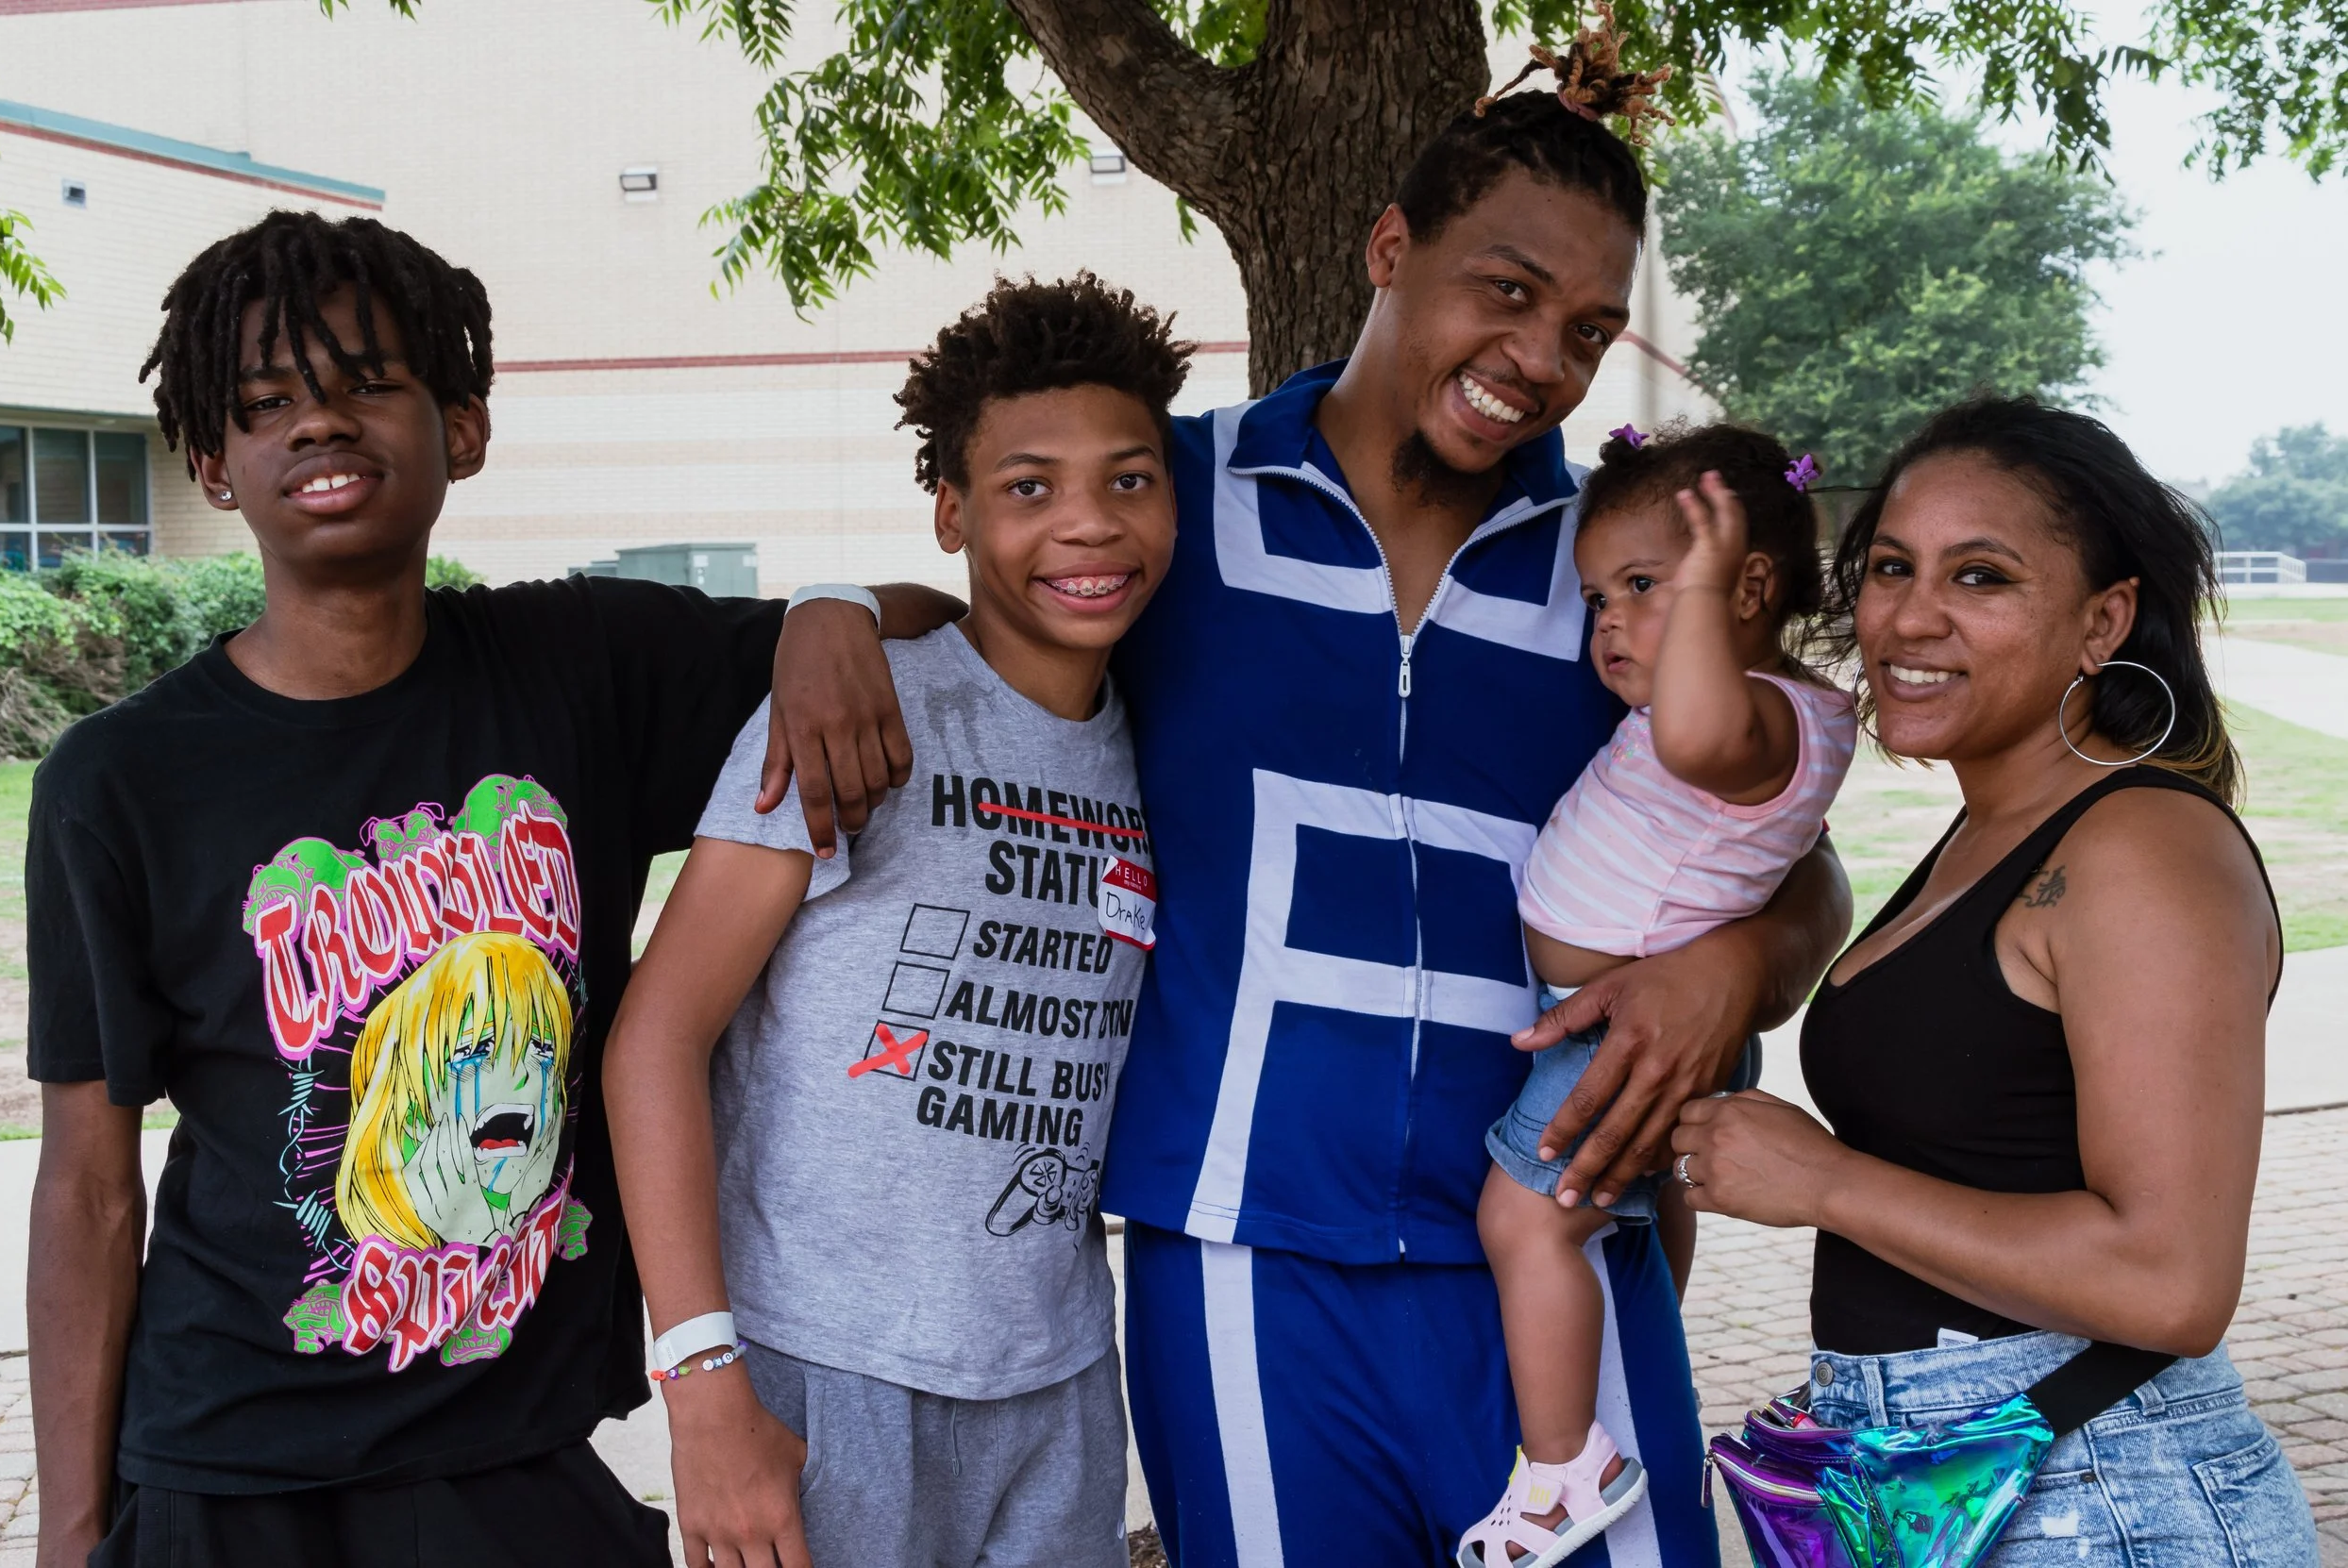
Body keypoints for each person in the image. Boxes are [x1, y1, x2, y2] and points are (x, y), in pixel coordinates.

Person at [766, 22, 1853, 1566]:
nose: (1544, 354)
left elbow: (1794, 844)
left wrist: (1741, 963)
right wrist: (835, 606)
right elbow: (1003, 602)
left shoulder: (1617, 576)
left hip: (1549, 1240)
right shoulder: (1177, 498)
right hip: (1243, 1257)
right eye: (1509, 290)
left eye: (1591, 328)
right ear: (1389, 246)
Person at [24, 210, 949, 1568]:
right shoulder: (120, 780)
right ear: (214, 463)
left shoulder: (586, 666)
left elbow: (931, 618)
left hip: (516, 1452)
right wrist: (69, 1529)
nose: (319, 425)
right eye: (269, 402)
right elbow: (90, 1190)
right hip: (228, 1458)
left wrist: (830, 611)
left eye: (365, 384)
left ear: (462, 426)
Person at [1669, 398, 2321, 1566]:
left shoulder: (2138, 852)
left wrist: (1821, 1179)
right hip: (1953, 1482)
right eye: (1887, 567)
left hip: (2100, 1496)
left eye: (1982, 577)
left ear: (2102, 620)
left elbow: (2170, 1280)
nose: (1910, 616)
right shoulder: (1994, 828)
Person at [601, 274, 1185, 1568]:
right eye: (1030, 486)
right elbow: (656, 1037)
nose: (1088, 524)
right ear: (951, 511)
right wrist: (703, 1383)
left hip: (1058, 1371)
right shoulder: (860, 716)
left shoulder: (1167, 740)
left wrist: (841, 597)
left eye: (1129, 480)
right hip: (825, 1369)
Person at [1463, 425, 1855, 1568]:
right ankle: (1640, 1329)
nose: (1612, 625)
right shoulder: (1763, 710)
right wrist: (1680, 594)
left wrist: (1694, 597)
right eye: (1596, 599)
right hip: (1651, 1029)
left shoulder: (1750, 720)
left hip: (1618, 1040)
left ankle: (1559, 1467)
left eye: (1644, 588)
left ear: (1750, 586)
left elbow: (1688, 730)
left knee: (1522, 1222)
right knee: (1635, 1211)